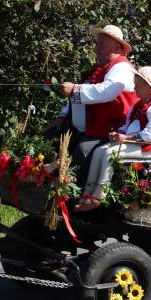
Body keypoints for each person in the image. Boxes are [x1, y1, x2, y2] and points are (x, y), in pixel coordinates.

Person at [45, 24, 139, 185]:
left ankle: (70, 203)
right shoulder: (99, 69)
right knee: (47, 140)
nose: (96, 46)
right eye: (97, 42)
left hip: (107, 134)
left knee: (81, 154)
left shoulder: (122, 68)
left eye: (102, 43)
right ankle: (38, 189)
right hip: (86, 130)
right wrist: (62, 115)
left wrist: (74, 89)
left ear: (117, 46)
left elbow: (104, 92)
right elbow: (79, 95)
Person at [74, 66, 151, 212]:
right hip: (134, 143)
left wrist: (126, 137)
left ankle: (99, 196)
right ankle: (88, 192)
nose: (135, 84)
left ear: (150, 89)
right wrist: (118, 133)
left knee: (109, 153)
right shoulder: (137, 105)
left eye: (140, 82)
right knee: (99, 151)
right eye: (136, 80)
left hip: (148, 148)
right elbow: (127, 125)